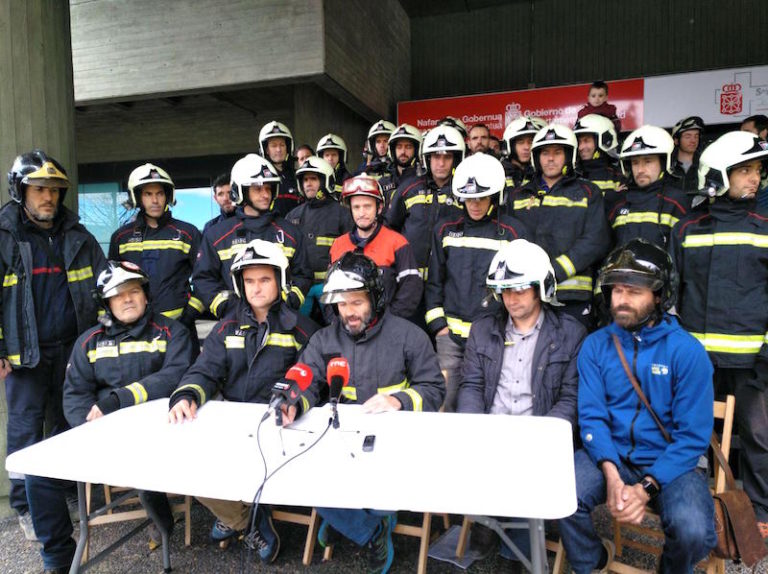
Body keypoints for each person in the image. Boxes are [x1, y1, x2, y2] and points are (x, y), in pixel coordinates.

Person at [560, 239, 716, 574]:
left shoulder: (687, 353)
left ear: (659, 296)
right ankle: (594, 561)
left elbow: (691, 439)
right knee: (559, 495)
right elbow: (592, 418)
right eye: (617, 291)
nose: (622, 301)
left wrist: (646, 488)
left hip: (672, 463)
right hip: (611, 454)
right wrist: (612, 475)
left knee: (694, 532)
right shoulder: (595, 346)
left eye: (634, 292)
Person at [168, 239, 318, 564]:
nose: (256, 288)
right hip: (232, 426)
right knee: (185, 465)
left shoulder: (303, 330)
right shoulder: (225, 329)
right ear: (239, 284)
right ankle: (247, 519)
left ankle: (234, 512)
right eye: (249, 281)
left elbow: (311, 379)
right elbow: (205, 370)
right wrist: (188, 394)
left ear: (280, 281)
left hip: (278, 428)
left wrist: (293, 400)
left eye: (265, 280)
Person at [297, 252, 445, 574]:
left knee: (381, 490)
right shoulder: (324, 339)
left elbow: (434, 389)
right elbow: (306, 378)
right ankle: (370, 527)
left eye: (357, 302)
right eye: (341, 304)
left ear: (375, 298)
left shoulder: (410, 336)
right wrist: (293, 401)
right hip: (343, 442)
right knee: (303, 471)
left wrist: (400, 401)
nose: (348, 313)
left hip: (394, 443)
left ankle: (349, 519)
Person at [2, 150, 106, 573]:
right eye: (39, 189)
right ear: (21, 190)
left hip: (71, 350)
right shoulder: (4, 234)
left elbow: (104, 286)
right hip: (23, 354)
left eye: (54, 190)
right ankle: (26, 505)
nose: (48, 197)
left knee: (66, 422)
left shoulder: (78, 234)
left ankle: (60, 490)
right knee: (26, 427)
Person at [458, 239, 585, 565]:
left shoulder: (570, 333)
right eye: (504, 290)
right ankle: (488, 522)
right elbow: (471, 384)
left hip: (538, 434)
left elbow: (570, 399)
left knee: (525, 553)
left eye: (519, 289)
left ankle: (523, 536)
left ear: (541, 287)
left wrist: (540, 438)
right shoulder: (483, 327)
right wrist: (473, 427)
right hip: (492, 431)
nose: (510, 298)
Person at [670, 130, 768, 539]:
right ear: (718, 175)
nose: (754, 178)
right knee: (697, 434)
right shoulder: (687, 226)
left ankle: (761, 512)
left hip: (753, 363)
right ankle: (707, 503)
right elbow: (673, 292)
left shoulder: (765, 225)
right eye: (744, 170)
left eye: (757, 170)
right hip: (699, 361)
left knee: (759, 436)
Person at [62, 261, 196, 547]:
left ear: (145, 295)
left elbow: (175, 376)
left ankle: (162, 524)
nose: (127, 299)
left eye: (133, 291)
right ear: (106, 303)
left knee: (143, 466)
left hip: (164, 430)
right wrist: (89, 430)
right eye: (118, 294)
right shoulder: (88, 342)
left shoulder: (172, 332)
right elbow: (75, 395)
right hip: (108, 435)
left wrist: (117, 400)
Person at [426, 153, 529, 412]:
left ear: (495, 195)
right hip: (450, 340)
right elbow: (434, 283)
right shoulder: (445, 230)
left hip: (495, 339)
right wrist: (439, 327)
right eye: (468, 198)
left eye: (481, 197)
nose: (474, 204)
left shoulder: (514, 232)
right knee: (444, 407)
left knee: (490, 406)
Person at [508, 124, 611, 329]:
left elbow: (596, 240)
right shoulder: (518, 195)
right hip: (529, 294)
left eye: (557, 152)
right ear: (537, 157)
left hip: (572, 296)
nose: (551, 158)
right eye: (545, 153)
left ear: (569, 155)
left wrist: (555, 270)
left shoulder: (588, 192)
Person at [192, 153, 311, 320]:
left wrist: (289, 299)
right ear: (240, 191)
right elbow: (203, 278)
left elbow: (303, 274)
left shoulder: (290, 233)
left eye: (268, 188)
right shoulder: (217, 235)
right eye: (257, 188)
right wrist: (225, 306)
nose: (265, 194)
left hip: (282, 320)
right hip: (235, 322)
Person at [109, 163, 203, 332]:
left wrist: (189, 315)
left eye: (160, 193)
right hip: (135, 330)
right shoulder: (121, 238)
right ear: (137, 197)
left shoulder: (188, 233)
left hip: (181, 328)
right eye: (148, 194)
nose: (155, 200)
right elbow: (113, 284)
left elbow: (205, 278)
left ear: (167, 196)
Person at [330, 175, 422, 320]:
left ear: (379, 208)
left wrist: (389, 323)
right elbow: (331, 292)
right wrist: (338, 323)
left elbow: (410, 290)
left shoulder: (397, 242)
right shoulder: (337, 245)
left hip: (388, 330)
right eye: (356, 207)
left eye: (367, 206)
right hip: (349, 329)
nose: (361, 213)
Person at [385, 124, 466, 282]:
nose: (441, 164)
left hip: (450, 281)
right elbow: (390, 229)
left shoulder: (464, 192)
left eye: (447, 157)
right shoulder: (409, 189)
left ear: (456, 159)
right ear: (427, 158)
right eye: (436, 157)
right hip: (411, 281)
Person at [285, 156, 353, 321]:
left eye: (313, 179)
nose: (308, 183)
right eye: (305, 179)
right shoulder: (292, 216)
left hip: (330, 288)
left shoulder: (343, 213)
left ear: (326, 180)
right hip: (301, 288)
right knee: (297, 328)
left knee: (337, 328)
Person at [608, 125, 690, 249]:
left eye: (648, 161)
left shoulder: (676, 202)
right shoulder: (619, 202)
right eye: (635, 163)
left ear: (663, 163)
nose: (640, 170)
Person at [573, 114, 626, 215]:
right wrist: (610, 196)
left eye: (586, 141)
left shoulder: (618, 176)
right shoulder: (572, 174)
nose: (581, 147)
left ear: (604, 140)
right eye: (579, 142)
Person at [258, 120, 301, 216]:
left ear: (288, 147)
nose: (279, 149)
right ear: (266, 150)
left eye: (282, 145)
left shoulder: (297, 176)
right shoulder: (258, 177)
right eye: (274, 146)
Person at [377, 123, 422, 206]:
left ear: (416, 150)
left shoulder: (424, 181)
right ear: (392, 151)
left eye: (408, 147)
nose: (403, 152)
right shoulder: (383, 183)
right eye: (399, 147)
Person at [501, 116, 547, 194]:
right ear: (509, 146)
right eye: (520, 142)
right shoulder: (498, 173)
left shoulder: (545, 173)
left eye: (530, 142)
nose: (527, 147)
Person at [668, 116, 705, 197]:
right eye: (688, 136)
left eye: (696, 136)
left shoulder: (705, 165)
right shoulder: (666, 166)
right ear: (676, 140)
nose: (693, 141)